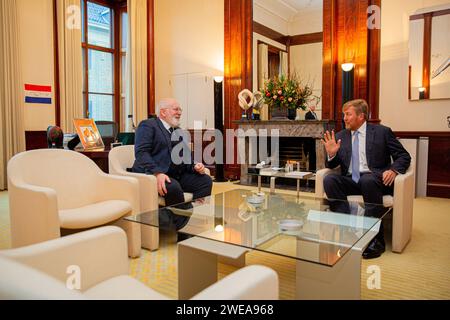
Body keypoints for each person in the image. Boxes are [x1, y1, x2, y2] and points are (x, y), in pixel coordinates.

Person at [321, 99, 411, 259]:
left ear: (361, 116)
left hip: (374, 180)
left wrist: (393, 170)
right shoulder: (341, 136)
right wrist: (332, 153)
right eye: (343, 115)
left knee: (367, 180)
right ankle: (346, 230)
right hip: (351, 180)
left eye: (348, 114)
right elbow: (332, 164)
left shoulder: (382, 132)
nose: (344, 119)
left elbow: (403, 156)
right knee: (329, 180)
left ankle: (375, 240)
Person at [132, 98, 213, 237]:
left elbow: (185, 157)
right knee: (174, 187)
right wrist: (157, 173)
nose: (179, 112)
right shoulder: (148, 125)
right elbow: (141, 153)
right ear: (163, 112)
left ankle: (191, 220)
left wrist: (195, 166)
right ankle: (181, 230)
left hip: (175, 174)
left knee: (205, 181)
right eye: (176, 109)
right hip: (151, 175)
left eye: (180, 109)